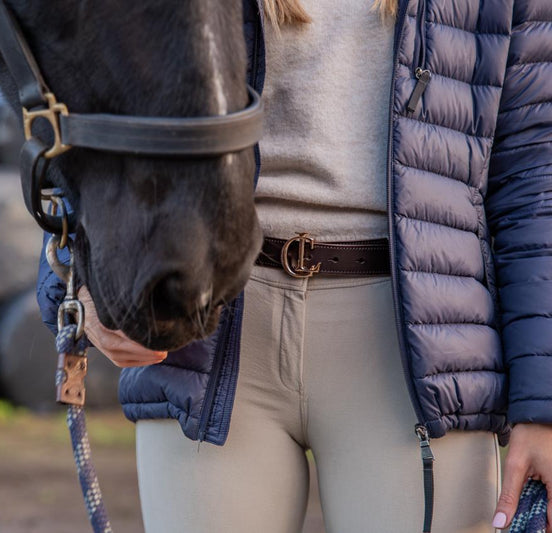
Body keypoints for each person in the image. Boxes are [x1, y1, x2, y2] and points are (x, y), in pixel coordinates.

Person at [37, 0, 552, 531]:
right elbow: (86, 79)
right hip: (208, 336)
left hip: (417, 353)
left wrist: (544, 404)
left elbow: (534, 167)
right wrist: (76, 275)